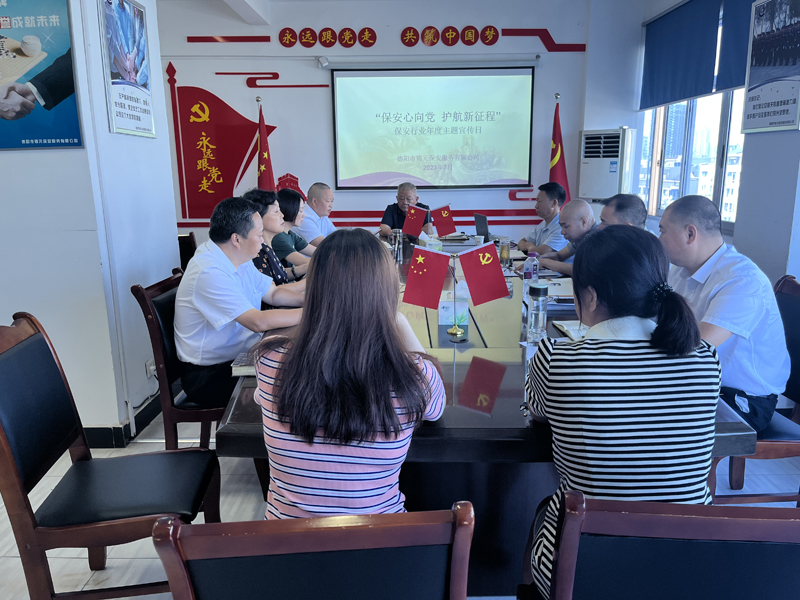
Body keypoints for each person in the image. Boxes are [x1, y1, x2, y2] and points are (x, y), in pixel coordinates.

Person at [525, 225, 721, 598]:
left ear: (590, 297)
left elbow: (537, 412)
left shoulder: (556, 357)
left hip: (586, 568)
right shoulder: (704, 358)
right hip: (691, 564)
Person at [254, 228, 445, 519]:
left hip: (286, 542)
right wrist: (398, 320)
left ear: (314, 289)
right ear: (387, 291)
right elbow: (436, 408)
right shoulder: (415, 377)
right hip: (380, 541)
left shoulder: (269, 359)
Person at [659, 195, 790, 431]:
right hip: (700, 381)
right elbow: (652, 320)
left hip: (742, 398)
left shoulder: (742, 280)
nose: (659, 240)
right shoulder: (679, 272)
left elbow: (696, 347)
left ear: (690, 234)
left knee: (644, 415)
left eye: (663, 231)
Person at [174, 196, 304, 408]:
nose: (263, 241)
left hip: (239, 357)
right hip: (210, 375)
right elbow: (257, 321)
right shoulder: (209, 270)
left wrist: (313, 299)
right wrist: (315, 311)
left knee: (301, 368)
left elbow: (273, 294)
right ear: (236, 239)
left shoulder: (239, 257)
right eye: (259, 235)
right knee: (299, 385)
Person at [242, 189, 308, 289]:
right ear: (258, 217)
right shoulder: (257, 253)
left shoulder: (267, 247)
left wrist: (304, 268)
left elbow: (278, 274)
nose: (282, 215)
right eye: (276, 211)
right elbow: (272, 292)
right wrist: (310, 280)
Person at [538, 198, 598, 276]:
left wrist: (546, 262)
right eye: (561, 226)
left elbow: (582, 271)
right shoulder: (580, 237)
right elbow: (559, 256)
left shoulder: (597, 238)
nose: (562, 232)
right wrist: (539, 258)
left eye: (566, 227)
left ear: (583, 222)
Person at [517, 182, 569, 254]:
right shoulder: (543, 224)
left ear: (554, 203)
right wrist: (531, 247)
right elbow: (521, 242)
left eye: (539, 201)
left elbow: (542, 252)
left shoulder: (562, 228)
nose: (536, 206)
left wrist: (530, 246)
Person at [271, 188, 316, 267]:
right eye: (301, 211)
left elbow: (317, 252)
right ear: (290, 209)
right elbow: (303, 262)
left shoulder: (290, 234)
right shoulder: (278, 237)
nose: (304, 215)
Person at [294, 182, 336, 246]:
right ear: (314, 201)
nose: (331, 205)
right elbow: (322, 245)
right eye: (328, 201)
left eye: (332, 201)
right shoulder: (303, 217)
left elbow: (337, 237)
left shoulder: (323, 216)